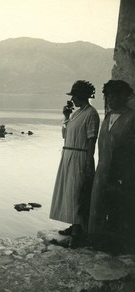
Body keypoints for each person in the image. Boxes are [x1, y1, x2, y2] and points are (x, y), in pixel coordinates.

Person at [50, 80, 100, 247]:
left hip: (80, 157)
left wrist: (87, 161)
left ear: (83, 96)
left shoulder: (91, 114)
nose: (72, 100)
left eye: (74, 96)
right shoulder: (76, 114)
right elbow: (65, 135)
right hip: (68, 155)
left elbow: (92, 140)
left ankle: (78, 233)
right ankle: (73, 226)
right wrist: (65, 117)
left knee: (78, 192)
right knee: (70, 192)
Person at [88, 80, 135, 254]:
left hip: (122, 173)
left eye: (115, 95)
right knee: (100, 205)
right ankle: (99, 240)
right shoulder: (107, 117)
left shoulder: (132, 118)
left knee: (118, 207)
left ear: (125, 96)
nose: (111, 99)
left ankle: (116, 245)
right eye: (108, 96)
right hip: (103, 171)